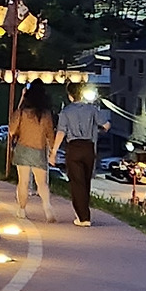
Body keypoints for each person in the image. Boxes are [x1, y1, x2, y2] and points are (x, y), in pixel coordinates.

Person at [51, 87, 111, 226]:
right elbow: (107, 125)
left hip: (73, 147)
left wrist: (54, 152)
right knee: (85, 181)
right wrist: (97, 130)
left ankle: (83, 217)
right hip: (88, 147)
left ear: (70, 96)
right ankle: (85, 214)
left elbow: (61, 132)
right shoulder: (92, 109)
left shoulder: (66, 111)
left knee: (76, 183)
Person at [8, 80, 56, 221]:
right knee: (42, 183)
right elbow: (50, 135)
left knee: (23, 182)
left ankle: (22, 210)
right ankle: (47, 206)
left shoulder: (22, 113)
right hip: (39, 150)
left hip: (23, 149)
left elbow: (11, 130)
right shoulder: (46, 114)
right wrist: (53, 152)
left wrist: (21, 99)